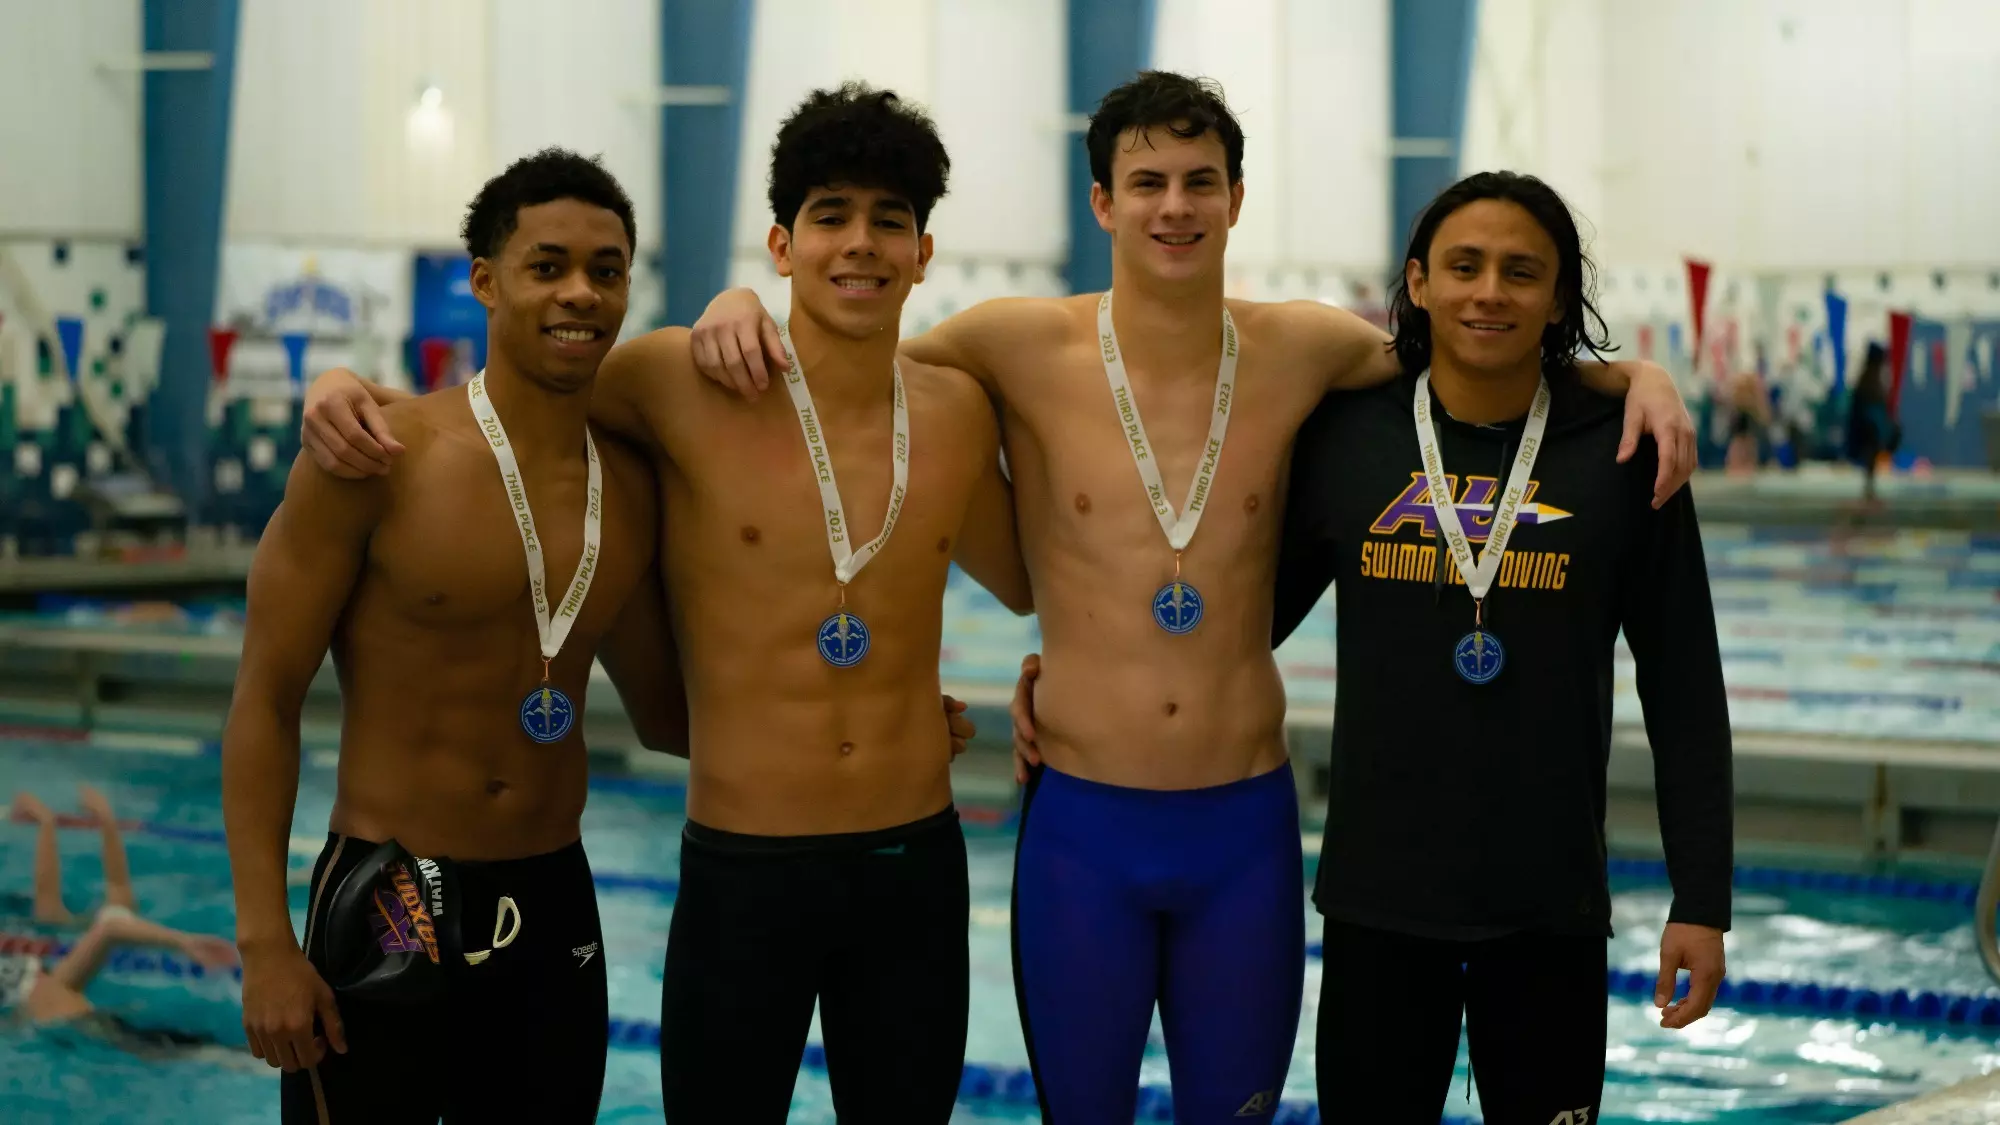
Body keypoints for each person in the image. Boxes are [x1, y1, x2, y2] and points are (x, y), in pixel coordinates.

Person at [687, 73, 1698, 1121]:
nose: (1174, 206)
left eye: (1198, 182)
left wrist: (1632, 378)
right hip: (1082, 820)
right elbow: (846, 357)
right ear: (1102, 203)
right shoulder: (1010, 346)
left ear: (1235, 199)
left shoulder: (1304, 348)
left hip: (1240, 824)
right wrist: (735, 303)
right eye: (1147, 182)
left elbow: (1474, 352)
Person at [296, 85, 1027, 1123]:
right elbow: (507, 399)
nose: (859, 244)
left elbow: (1044, 583)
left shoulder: (954, 414)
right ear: (780, 245)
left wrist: (1052, 678)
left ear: (923, 253)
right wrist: (343, 383)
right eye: (829, 216)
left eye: (890, 222)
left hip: (913, 857)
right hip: (745, 868)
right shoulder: (676, 381)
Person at [1260, 171, 1731, 1120]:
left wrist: (1702, 898)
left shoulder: (1627, 445)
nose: (1489, 292)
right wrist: (1071, 675)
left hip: (1548, 905)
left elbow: (1684, 686)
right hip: (1377, 901)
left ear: (1558, 297)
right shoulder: (1344, 437)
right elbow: (1244, 623)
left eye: (1522, 272)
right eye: (1464, 266)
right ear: (1419, 282)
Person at [222, 148, 679, 1125]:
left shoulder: (630, 492)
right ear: (484, 282)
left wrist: (879, 709)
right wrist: (264, 943)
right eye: (545, 265)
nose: (579, 294)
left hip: (553, 890)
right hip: (393, 890)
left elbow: (672, 718)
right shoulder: (378, 458)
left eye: (606, 271)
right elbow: (265, 697)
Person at [2, 789, 240, 1056]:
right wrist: (186, 942)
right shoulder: (62, 967)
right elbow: (110, 923)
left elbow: (98, 920)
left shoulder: (49, 984)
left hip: (79, 1031)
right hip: (90, 1024)